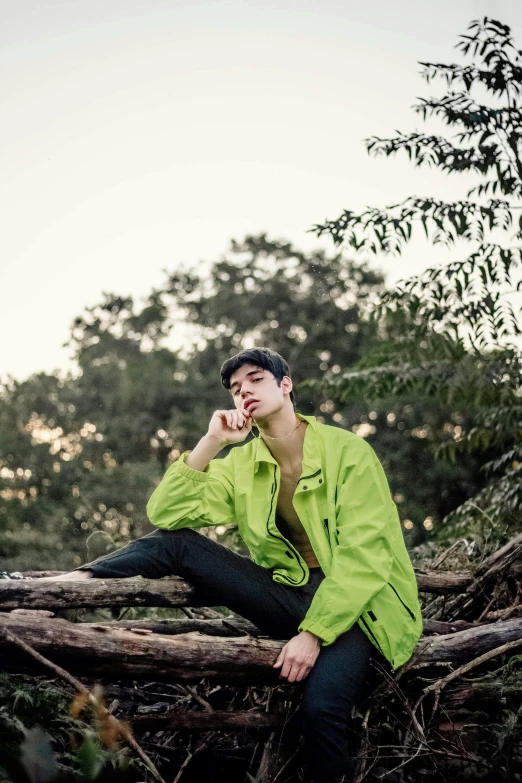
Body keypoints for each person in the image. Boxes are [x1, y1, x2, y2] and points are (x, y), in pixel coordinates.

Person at [44, 347, 423, 783]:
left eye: (256, 379)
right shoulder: (243, 463)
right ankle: (72, 583)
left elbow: (366, 557)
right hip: (292, 594)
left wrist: (313, 634)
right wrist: (213, 443)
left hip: (361, 610)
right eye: (236, 388)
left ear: (286, 384)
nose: (245, 392)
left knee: (321, 712)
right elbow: (166, 514)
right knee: (178, 544)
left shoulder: (349, 451)